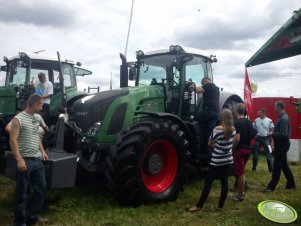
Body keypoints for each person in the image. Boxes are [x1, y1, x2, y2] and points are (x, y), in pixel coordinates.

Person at [9, 94, 49, 226]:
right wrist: (19, 160)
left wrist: (42, 151)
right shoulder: (18, 119)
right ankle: (20, 222)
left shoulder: (37, 118)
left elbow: (36, 136)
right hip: (24, 160)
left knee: (41, 189)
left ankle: (33, 218)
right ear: (34, 105)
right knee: (22, 194)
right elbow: (13, 140)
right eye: (41, 105)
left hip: (37, 160)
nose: (42, 107)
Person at [188, 108, 236, 213]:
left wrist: (216, 145)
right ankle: (220, 206)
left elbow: (209, 143)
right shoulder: (233, 129)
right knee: (224, 181)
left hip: (217, 161)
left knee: (208, 183)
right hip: (228, 160)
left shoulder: (217, 129)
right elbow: (232, 143)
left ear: (221, 117)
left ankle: (199, 206)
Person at [264, 101, 296, 192]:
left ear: (279, 107)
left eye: (275, 107)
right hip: (282, 144)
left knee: (277, 165)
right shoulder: (282, 117)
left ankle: (271, 187)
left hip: (282, 145)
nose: (274, 108)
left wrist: (272, 133)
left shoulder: (284, 119)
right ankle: (291, 184)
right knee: (284, 165)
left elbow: (283, 135)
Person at [231, 103, 252, 202]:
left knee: (240, 173)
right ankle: (241, 191)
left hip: (240, 150)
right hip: (248, 149)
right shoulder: (248, 121)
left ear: (236, 111)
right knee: (241, 171)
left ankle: (240, 196)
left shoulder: (237, 123)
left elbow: (237, 138)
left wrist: (232, 148)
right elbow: (253, 134)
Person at [194, 77, 220, 153]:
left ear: (205, 81)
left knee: (193, 119)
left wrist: (190, 83)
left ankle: (198, 142)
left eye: (203, 84)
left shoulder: (209, 85)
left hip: (208, 111)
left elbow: (197, 90)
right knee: (208, 133)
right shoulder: (216, 88)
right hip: (215, 113)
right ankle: (208, 152)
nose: (203, 85)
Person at [252, 108, 274, 173]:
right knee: (255, 154)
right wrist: (255, 133)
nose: (258, 114)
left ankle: (271, 170)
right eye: (258, 113)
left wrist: (272, 141)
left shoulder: (269, 120)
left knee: (269, 155)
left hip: (266, 139)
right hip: (258, 138)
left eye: (260, 113)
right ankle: (254, 168)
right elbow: (254, 127)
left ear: (264, 113)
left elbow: (272, 130)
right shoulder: (256, 120)